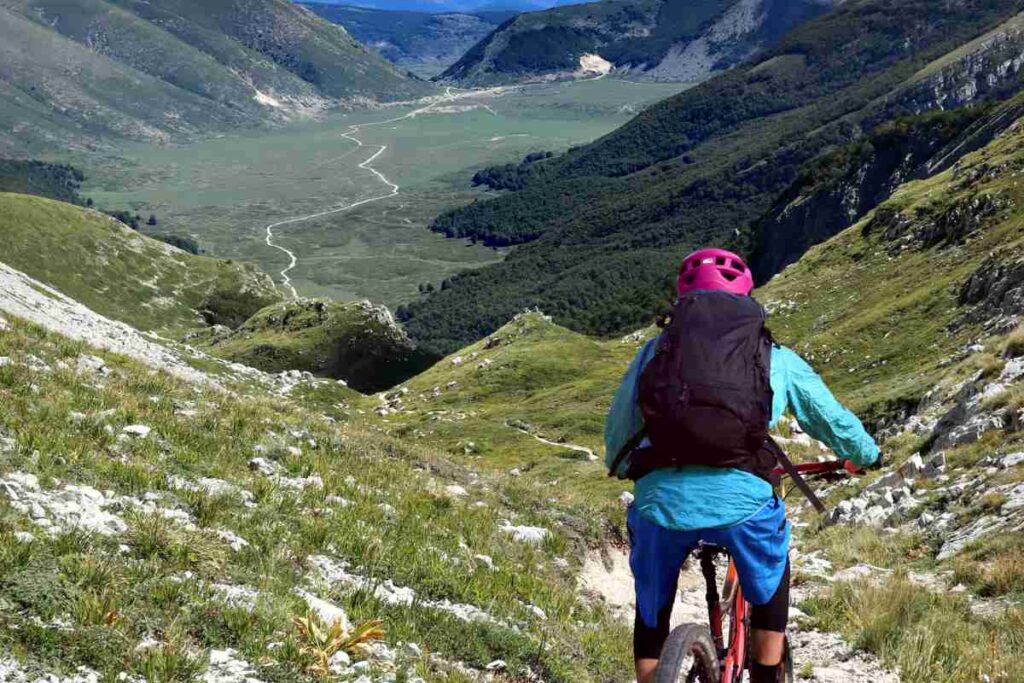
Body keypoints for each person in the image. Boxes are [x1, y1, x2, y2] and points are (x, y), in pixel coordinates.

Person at [605, 248, 880, 683]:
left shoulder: (654, 352)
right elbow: (831, 419)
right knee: (771, 578)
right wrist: (866, 456)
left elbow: (619, 428)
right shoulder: (774, 356)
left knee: (652, 603)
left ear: (682, 301)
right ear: (746, 299)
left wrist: (621, 467)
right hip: (743, 504)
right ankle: (767, 675)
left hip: (661, 502)